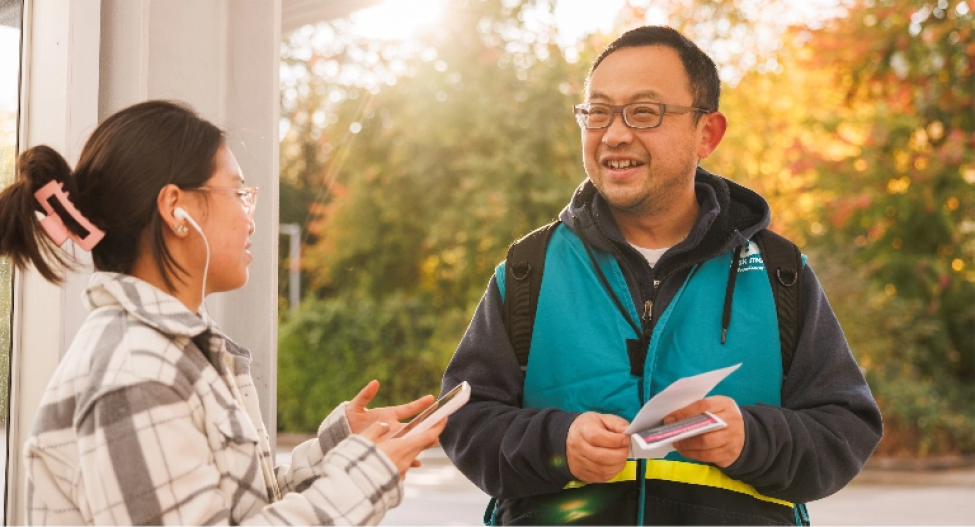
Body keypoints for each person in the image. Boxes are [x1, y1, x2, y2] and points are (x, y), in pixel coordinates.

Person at [439, 26, 882, 527]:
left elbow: (847, 427)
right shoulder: (528, 268)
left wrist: (750, 439)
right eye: (598, 112)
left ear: (707, 133)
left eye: (644, 113)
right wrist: (558, 444)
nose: (614, 134)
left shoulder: (780, 272)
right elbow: (463, 420)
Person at [0, 100, 444, 526]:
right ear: (177, 208)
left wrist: (341, 449)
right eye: (238, 193)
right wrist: (360, 480)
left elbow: (243, 513)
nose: (251, 220)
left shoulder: (174, 353)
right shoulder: (135, 372)